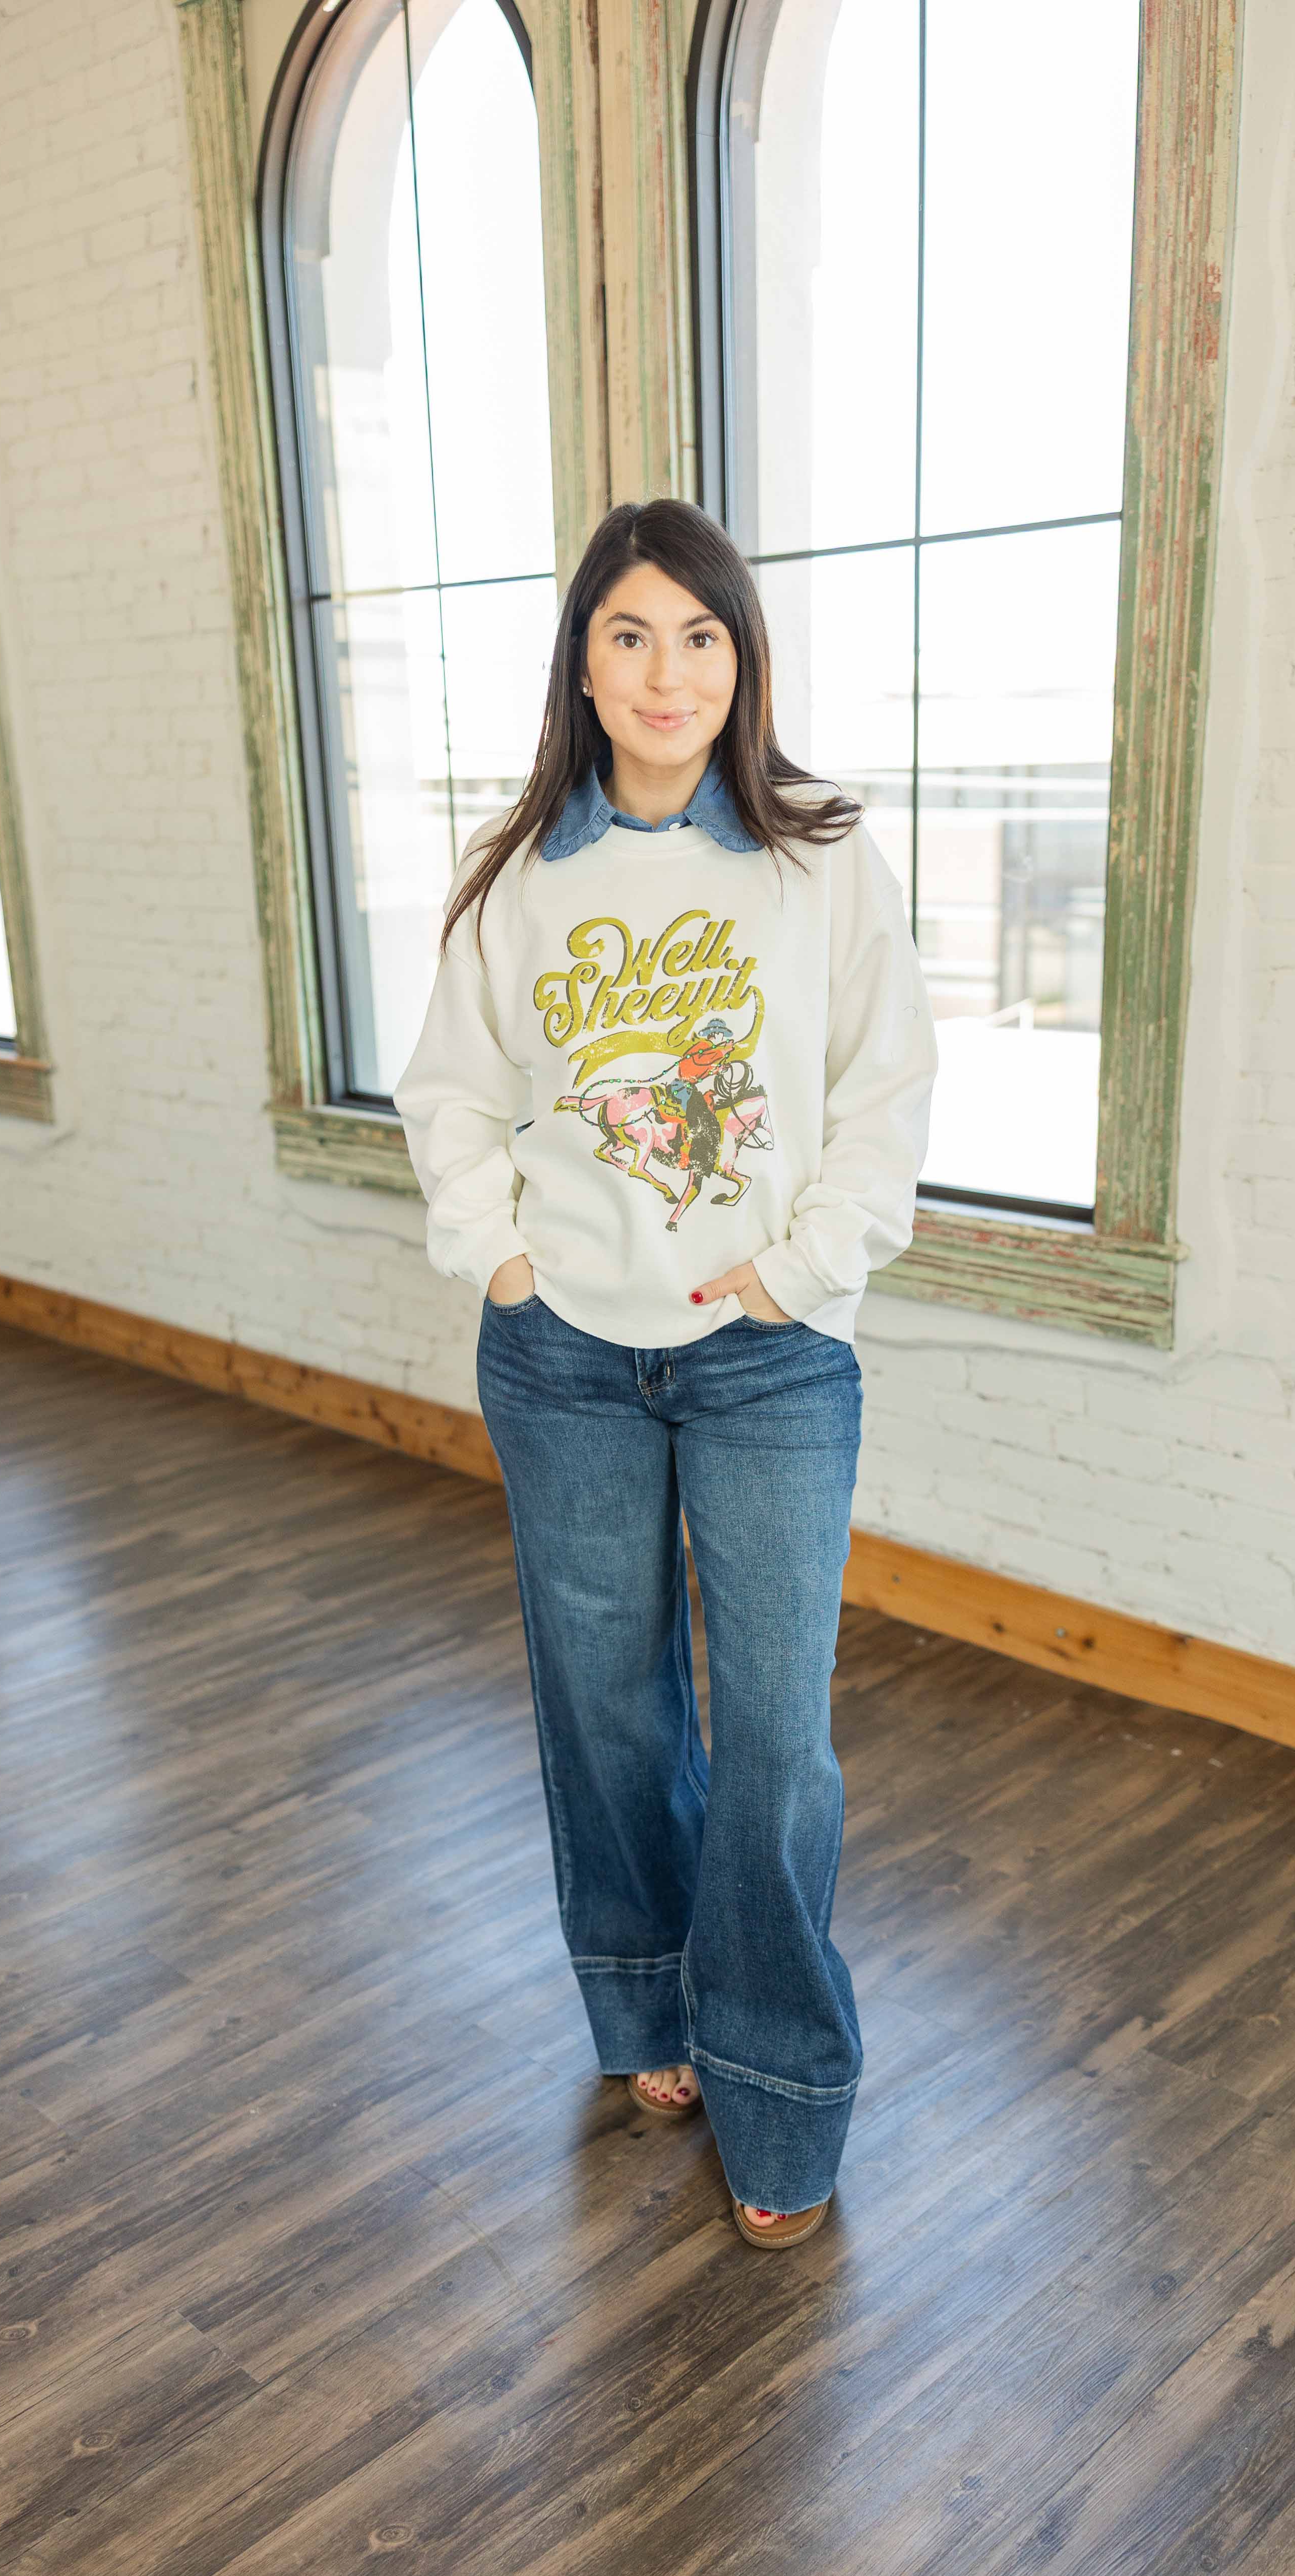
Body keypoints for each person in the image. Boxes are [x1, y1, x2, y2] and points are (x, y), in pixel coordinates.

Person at [393, 498, 937, 2252]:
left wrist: (800, 1267)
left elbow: (886, 1088)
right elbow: (451, 1094)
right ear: (582, 663)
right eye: (629, 635)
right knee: (607, 1706)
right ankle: (644, 2002)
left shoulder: (821, 855)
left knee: (774, 1739)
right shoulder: (520, 873)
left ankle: (781, 2076)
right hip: (560, 1354)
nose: (666, 672)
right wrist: (500, 1256)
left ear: (742, 658)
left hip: (769, 1359)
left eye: (700, 636)